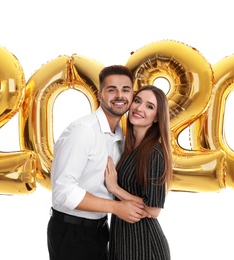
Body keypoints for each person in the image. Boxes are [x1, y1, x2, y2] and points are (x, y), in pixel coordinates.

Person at [47, 65, 151, 260]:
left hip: (101, 228)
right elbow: (63, 191)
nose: (119, 95)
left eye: (125, 90)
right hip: (72, 232)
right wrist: (116, 208)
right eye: (112, 90)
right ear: (99, 95)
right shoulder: (83, 131)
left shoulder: (121, 137)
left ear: (132, 95)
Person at [105, 85, 173, 260]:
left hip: (143, 244)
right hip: (123, 239)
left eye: (149, 106)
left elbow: (154, 209)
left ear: (157, 117)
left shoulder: (154, 152)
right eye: (137, 101)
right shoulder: (127, 146)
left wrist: (115, 189)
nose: (139, 108)